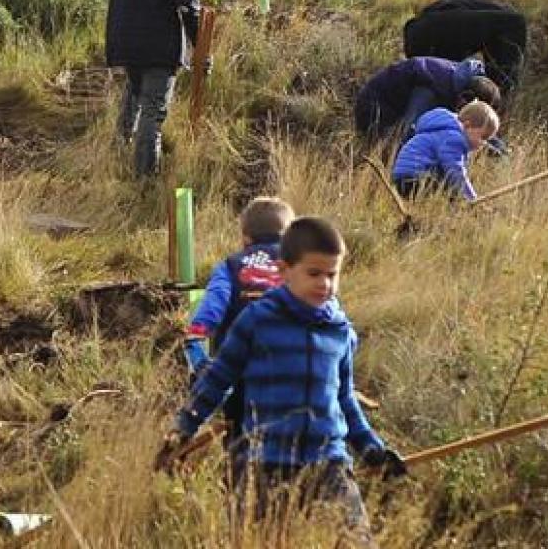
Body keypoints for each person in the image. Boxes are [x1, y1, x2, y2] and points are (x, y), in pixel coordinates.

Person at [158, 216, 406, 538]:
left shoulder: (340, 332)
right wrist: (183, 429)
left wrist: (372, 448)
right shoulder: (257, 321)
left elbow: (344, 399)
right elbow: (218, 380)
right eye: (314, 273)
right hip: (265, 464)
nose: (325, 284)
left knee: (358, 540)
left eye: (332, 274)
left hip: (327, 464)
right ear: (284, 270)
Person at [185, 197, 294, 455]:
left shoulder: (230, 266)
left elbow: (215, 302)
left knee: (238, 431)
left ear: (245, 237)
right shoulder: (299, 267)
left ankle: (239, 478)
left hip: (237, 367)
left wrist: (198, 331)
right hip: (289, 364)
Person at [105, 0, 204, 177]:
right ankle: (145, 178)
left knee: (133, 102)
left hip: (127, 46)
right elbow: (188, 1)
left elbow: (115, 5)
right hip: (158, 47)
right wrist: (200, 45)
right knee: (153, 113)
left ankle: (118, 160)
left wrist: (113, 49)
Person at [352, 56, 501, 145]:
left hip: (398, 107)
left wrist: (497, 145)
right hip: (374, 109)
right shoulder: (430, 89)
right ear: (465, 99)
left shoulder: (462, 81)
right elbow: (407, 131)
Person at [402, 0, 529, 95]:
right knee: (516, 23)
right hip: (437, 29)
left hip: (417, 33)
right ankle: (502, 96)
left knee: (439, 85)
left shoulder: (481, 15)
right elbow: (516, 24)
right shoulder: (500, 20)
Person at [390, 100, 500, 202]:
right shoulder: (453, 139)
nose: (483, 143)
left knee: (449, 191)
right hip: (415, 178)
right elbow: (455, 172)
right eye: (483, 137)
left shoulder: (444, 131)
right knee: (451, 194)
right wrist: (472, 198)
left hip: (403, 177)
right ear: (467, 125)